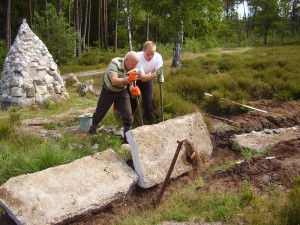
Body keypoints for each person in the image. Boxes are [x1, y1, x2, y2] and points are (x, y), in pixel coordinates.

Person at [88, 51, 141, 143]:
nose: (135, 66)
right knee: (100, 112)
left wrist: (133, 91)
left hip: (122, 91)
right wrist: (128, 79)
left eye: (136, 64)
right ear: (126, 60)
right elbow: (114, 81)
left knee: (128, 116)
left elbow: (130, 84)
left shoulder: (133, 68)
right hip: (108, 90)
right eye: (133, 64)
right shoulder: (115, 62)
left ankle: (127, 140)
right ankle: (92, 129)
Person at [130, 41, 164, 123]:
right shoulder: (138, 57)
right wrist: (157, 74)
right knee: (134, 100)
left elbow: (160, 71)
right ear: (143, 50)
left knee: (148, 101)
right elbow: (142, 78)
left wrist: (160, 75)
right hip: (134, 79)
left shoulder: (158, 57)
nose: (150, 57)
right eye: (148, 54)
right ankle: (129, 120)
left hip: (148, 77)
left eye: (152, 54)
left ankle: (150, 121)